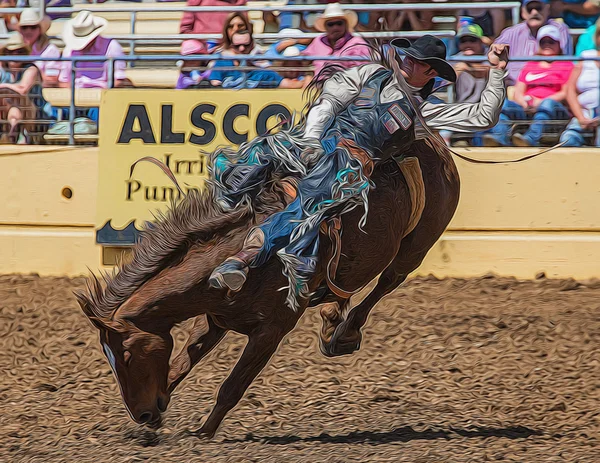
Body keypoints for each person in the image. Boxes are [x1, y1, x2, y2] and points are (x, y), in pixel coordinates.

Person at [208, 35, 509, 309]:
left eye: (417, 61)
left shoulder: (423, 111)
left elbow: (483, 116)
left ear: (429, 73)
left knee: (313, 198)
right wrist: (311, 140)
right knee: (259, 153)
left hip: (351, 165)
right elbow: (328, 103)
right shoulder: (368, 74)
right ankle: (220, 217)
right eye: (408, 55)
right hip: (319, 141)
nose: (407, 61)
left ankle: (247, 257)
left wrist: (497, 72)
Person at [482, 24, 573, 147]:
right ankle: (498, 137)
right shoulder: (531, 65)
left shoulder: (567, 65)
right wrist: (525, 103)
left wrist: (541, 102)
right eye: (543, 42)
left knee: (547, 106)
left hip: (554, 109)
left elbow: (566, 92)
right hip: (527, 106)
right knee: (503, 104)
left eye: (551, 42)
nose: (547, 45)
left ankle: (530, 138)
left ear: (558, 44)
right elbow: (519, 90)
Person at [495, 0, 571, 85]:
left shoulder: (559, 29)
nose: (534, 12)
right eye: (530, 8)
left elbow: (565, 62)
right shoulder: (511, 33)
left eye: (538, 8)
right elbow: (492, 57)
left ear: (547, 9)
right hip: (514, 87)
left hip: (550, 85)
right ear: (523, 12)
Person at [209, 20, 304, 89]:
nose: (242, 49)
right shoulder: (221, 65)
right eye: (237, 46)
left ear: (251, 46)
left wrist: (307, 79)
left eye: (245, 45)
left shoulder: (263, 74)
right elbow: (213, 87)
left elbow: (289, 84)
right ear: (231, 46)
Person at [0, 32, 54, 143]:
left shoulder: (31, 69)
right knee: (12, 107)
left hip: (36, 116)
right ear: (5, 53)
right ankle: (14, 131)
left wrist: (3, 86)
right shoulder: (3, 71)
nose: (15, 55)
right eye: (10, 52)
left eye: (19, 52)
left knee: (18, 99)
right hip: (7, 114)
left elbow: (22, 89)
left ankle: (14, 134)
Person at [58, 11, 130, 89]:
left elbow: (118, 80)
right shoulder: (69, 50)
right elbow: (64, 81)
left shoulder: (112, 46)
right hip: (74, 93)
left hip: (103, 94)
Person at [301, 3, 371, 76]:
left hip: (346, 84)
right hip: (318, 84)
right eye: (330, 24)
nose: (335, 27)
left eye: (339, 23)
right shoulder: (319, 40)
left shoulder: (357, 43)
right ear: (325, 27)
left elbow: (365, 71)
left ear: (346, 25)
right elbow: (304, 59)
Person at [560, 26, 600, 146]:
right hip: (584, 114)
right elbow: (570, 90)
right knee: (567, 139)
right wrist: (581, 118)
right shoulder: (586, 57)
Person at [180, 0, 248, 54]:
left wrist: (225, 47)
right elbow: (185, 30)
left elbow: (244, 30)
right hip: (200, 51)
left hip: (229, 49)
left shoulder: (239, 2)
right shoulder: (196, 1)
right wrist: (203, 46)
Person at [18, 8, 61, 87]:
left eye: (33, 27)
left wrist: (30, 78)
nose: (28, 31)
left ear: (40, 29)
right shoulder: (16, 50)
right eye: (24, 27)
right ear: (20, 30)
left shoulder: (50, 50)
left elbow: (52, 80)